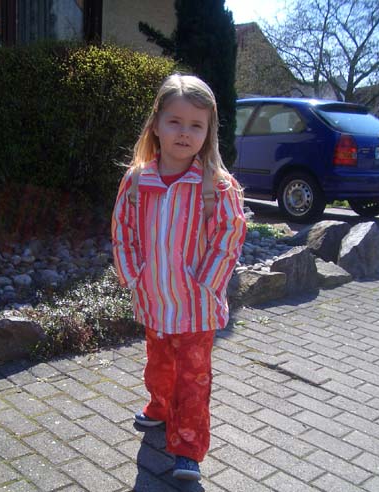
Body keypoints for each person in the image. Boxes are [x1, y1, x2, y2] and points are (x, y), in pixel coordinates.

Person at [111, 74, 246, 481]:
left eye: (195, 125)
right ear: (156, 124)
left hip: (196, 307)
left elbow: (229, 236)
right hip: (154, 298)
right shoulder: (138, 181)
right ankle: (159, 406)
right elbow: (123, 231)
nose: (184, 133)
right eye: (175, 122)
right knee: (159, 363)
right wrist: (134, 275)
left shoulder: (217, 187)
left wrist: (205, 281)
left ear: (208, 132)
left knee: (193, 378)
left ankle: (187, 448)